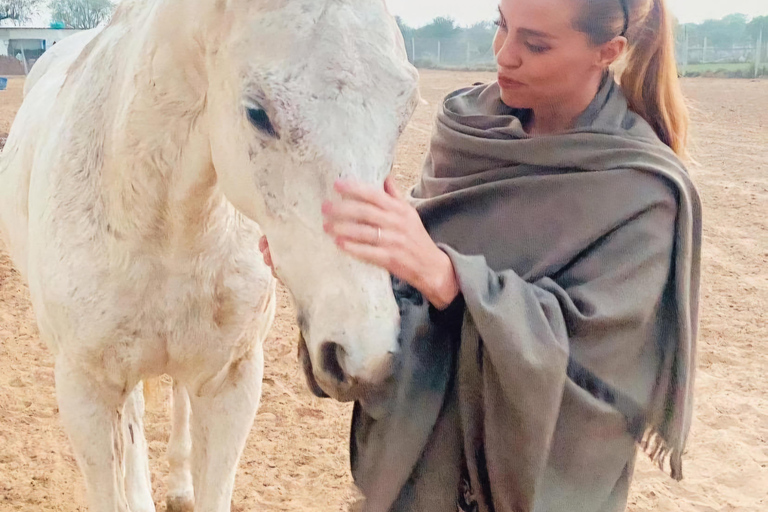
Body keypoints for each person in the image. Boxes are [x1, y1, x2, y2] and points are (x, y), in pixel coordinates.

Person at [260, 0, 702, 510]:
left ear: (609, 51)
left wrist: (450, 280)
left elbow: (591, 381)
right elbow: (409, 306)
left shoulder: (642, 192)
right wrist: (339, 266)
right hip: (419, 480)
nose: (504, 55)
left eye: (535, 44)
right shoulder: (467, 130)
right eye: (502, 25)